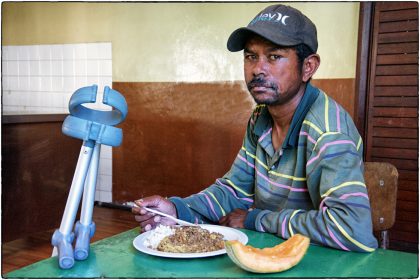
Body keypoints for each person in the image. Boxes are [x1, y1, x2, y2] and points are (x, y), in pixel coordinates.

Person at [132, 4, 378, 252]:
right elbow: (234, 191)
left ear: (308, 67)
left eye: (274, 56)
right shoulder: (260, 118)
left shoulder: (328, 132)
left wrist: (255, 219)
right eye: (251, 56)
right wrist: (176, 210)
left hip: (319, 263)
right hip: (268, 253)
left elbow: (351, 229)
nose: (257, 69)